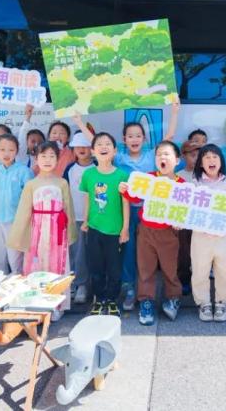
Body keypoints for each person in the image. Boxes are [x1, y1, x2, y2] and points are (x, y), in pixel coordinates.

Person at [75, 102, 179, 312]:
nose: (134, 139)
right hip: (124, 210)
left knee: (146, 253)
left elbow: (168, 137)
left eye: (138, 136)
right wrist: (79, 122)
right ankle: (129, 288)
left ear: (144, 139)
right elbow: (96, 143)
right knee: (128, 251)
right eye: (130, 136)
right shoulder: (119, 157)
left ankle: (149, 292)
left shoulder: (151, 155)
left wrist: (175, 112)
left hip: (150, 212)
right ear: (124, 140)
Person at [119, 140, 184, 326]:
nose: (162, 157)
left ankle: (173, 298)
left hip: (169, 233)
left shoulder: (181, 184)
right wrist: (125, 190)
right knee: (145, 269)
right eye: (159, 155)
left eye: (167, 154)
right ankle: (146, 301)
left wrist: (180, 221)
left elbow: (185, 210)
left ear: (177, 160)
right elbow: (134, 197)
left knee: (170, 269)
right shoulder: (148, 179)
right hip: (146, 231)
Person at [9, 142, 77, 316]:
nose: (47, 160)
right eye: (43, 156)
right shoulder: (31, 184)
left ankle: (56, 305)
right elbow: (24, 211)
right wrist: (20, 235)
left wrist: (70, 232)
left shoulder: (62, 182)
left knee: (57, 263)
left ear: (57, 159)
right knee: (36, 264)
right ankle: (36, 303)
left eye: (52, 156)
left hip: (57, 230)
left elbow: (68, 208)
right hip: (37, 230)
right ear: (36, 159)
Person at [80, 132, 130, 317]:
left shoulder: (122, 175)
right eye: (99, 144)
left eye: (108, 144)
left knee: (114, 269)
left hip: (115, 231)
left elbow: (126, 203)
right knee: (96, 268)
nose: (103, 147)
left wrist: (125, 229)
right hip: (94, 229)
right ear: (93, 151)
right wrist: (85, 220)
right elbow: (88, 199)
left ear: (115, 151)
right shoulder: (88, 174)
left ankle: (112, 300)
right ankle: (99, 299)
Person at [190, 144, 226, 322]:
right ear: (201, 163)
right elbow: (188, 210)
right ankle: (204, 302)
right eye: (207, 157)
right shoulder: (195, 184)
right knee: (200, 269)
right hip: (200, 235)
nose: (211, 160)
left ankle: (222, 302)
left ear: (221, 161)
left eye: (215, 157)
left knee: (224, 269)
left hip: (221, 236)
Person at [0, 134, 34, 274]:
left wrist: (27, 223)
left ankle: (18, 285)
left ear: (17, 151)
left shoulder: (24, 172)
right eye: (2, 149)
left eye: (11, 150)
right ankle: (0, 286)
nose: (6, 154)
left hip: (15, 222)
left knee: (16, 261)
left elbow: (30, 199)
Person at [63, 132, 95, 304]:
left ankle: (89, 285)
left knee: (92, 252)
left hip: (95, 218)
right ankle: (79, 283)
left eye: (85, 145)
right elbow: (64, 192)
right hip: (75, 216)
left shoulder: (98, 167)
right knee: (76, 252)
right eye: (78, 146)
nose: (82, 149)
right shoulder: (70, 169)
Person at [175, 139, 201, 295]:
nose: (196, 158)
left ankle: (199, 282)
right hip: (183, 222)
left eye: (198, 155)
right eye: (192, 155)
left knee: (199, 253)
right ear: (183, 156)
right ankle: (184, 280)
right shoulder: (178, 176)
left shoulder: (204, 176)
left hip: (200, 222)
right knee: (183, 253)